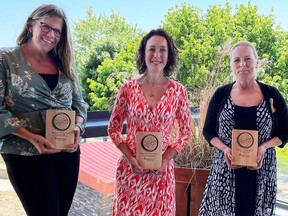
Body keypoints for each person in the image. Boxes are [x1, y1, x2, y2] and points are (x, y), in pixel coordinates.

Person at [0, 4, 88, 216]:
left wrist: (77, 126)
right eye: (46, 27)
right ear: (31, 26)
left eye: (58, 31)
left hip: (67, 153)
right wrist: (32, 137)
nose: (52, 35)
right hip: (26, 153)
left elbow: (80, 104)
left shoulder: (65, 63)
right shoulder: (6, 60)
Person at [199, 40, 288, 215]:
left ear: (257, 62)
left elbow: (285, 132)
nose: (242, 64)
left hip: (262, 172)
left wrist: (263, 147)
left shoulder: (272, 94)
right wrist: (225, 149)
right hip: (225, 171)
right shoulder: (220, 94)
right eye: (236, 60)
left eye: (247, 59)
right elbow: (208, 131)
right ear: (231, 65)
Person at [107, 28, 191, 215]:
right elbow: (113, 129)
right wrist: (130, 158)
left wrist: (165, 159)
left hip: (161, 172)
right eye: (152, 49)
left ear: (169, 56)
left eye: (163, 50)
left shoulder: (179, 91)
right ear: (143, 53)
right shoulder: (127, 89)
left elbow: (185, 132)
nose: (157, 55)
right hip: (131, 171)